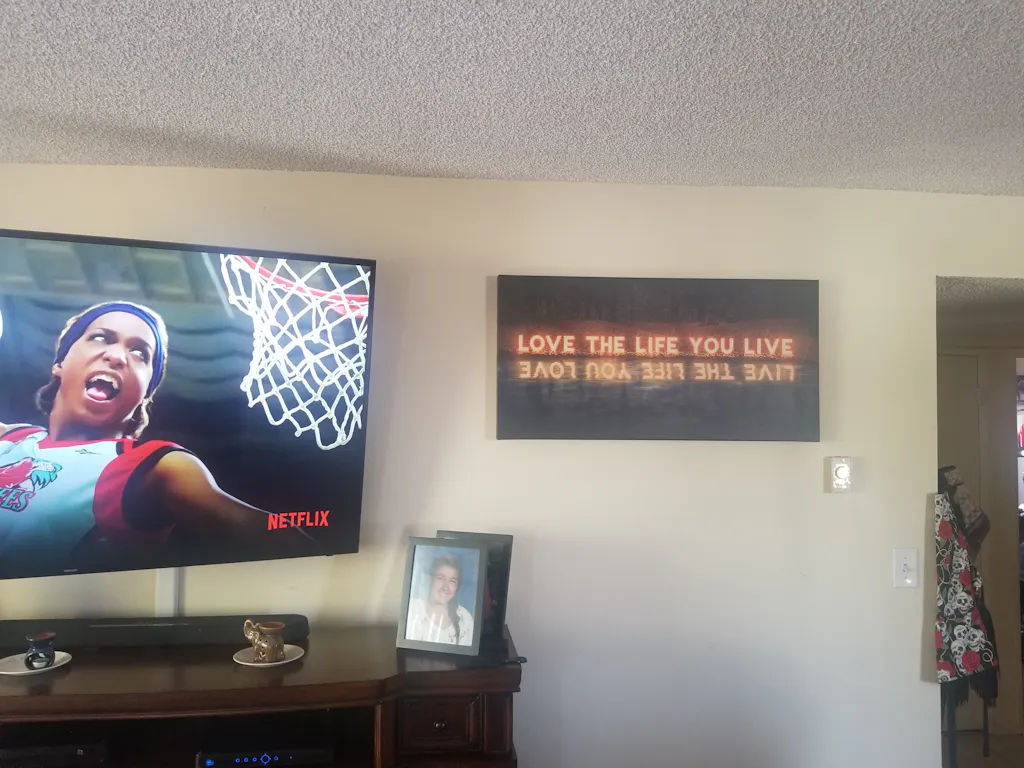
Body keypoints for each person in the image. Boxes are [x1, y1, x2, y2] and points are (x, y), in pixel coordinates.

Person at [0, 301, 287, 572]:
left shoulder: (154, 465)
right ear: (60, 362)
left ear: (144, 394)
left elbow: (277, 535)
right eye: (100, 338)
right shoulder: (10, 437)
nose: (117, 357)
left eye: (140, 353)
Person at [405, 554, 475, 646]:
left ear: (457, 586)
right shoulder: (412, 610)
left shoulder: (465, 619)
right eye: (440, 578)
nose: (445, 587)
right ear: (430, 579)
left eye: (452, 581)